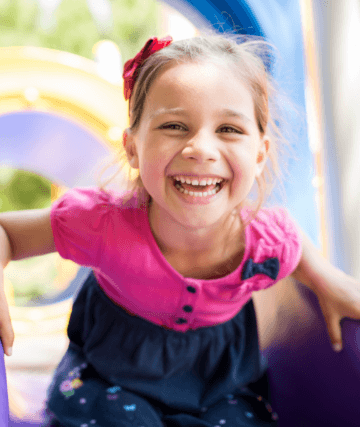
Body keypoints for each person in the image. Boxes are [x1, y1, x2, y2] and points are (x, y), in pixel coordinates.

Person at [1, 32, 360, 427]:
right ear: (133, 147)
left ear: (259, 154)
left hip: (221, 388)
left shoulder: (264, 242)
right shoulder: (102, 223)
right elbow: (8, 232)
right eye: (174, 125)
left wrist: (328, 279)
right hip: (109, 378)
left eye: (229, 129)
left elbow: (292, 239)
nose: (200, 148)